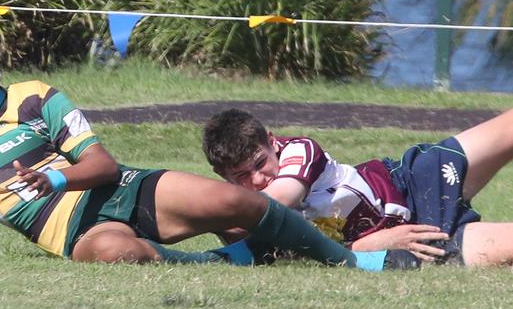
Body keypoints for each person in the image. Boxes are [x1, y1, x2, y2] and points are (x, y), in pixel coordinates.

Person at [0, 26, 418, 271]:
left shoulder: (37, 98)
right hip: (72, 231)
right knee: (116, 255)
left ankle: (350, 262)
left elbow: (100, 162)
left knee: (239, 205)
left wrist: (55, 177)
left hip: (119, 188)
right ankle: (226, 263)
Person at [202, 108, 513, 266]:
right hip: (422, 238)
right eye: (241, 176)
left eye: (260, 163)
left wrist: (222, 211)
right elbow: (309, 255)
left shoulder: (299, 150)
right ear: (223, 174)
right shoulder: (242, 217)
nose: (257, 179)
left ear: (272, 142)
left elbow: (279, 200)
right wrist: (372, 244)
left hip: (412, 181)